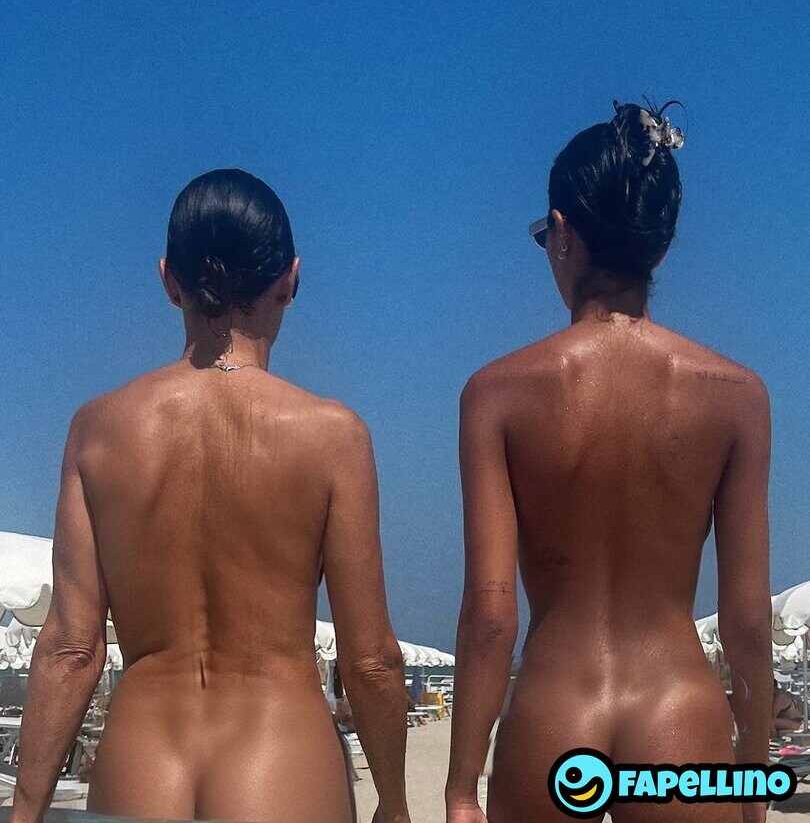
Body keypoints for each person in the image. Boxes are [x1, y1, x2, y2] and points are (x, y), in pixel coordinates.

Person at [11, 169, 410, 823]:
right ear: (291, 279)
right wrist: (394, 804)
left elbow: (70, 650)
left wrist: (27, 811)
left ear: (169, 280)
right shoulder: (333, 436)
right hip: (282, 767)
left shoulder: (98, 430)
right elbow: (370, 661)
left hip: (140, 768)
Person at [445, 104, 772, 823]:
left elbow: (491, 617)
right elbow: (748, 625)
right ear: (662, 246)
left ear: (564, 234)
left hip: (554, 716)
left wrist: (462, 784)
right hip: (680, 718)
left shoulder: (496, 394)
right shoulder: (737, 397)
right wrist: (752, 782)